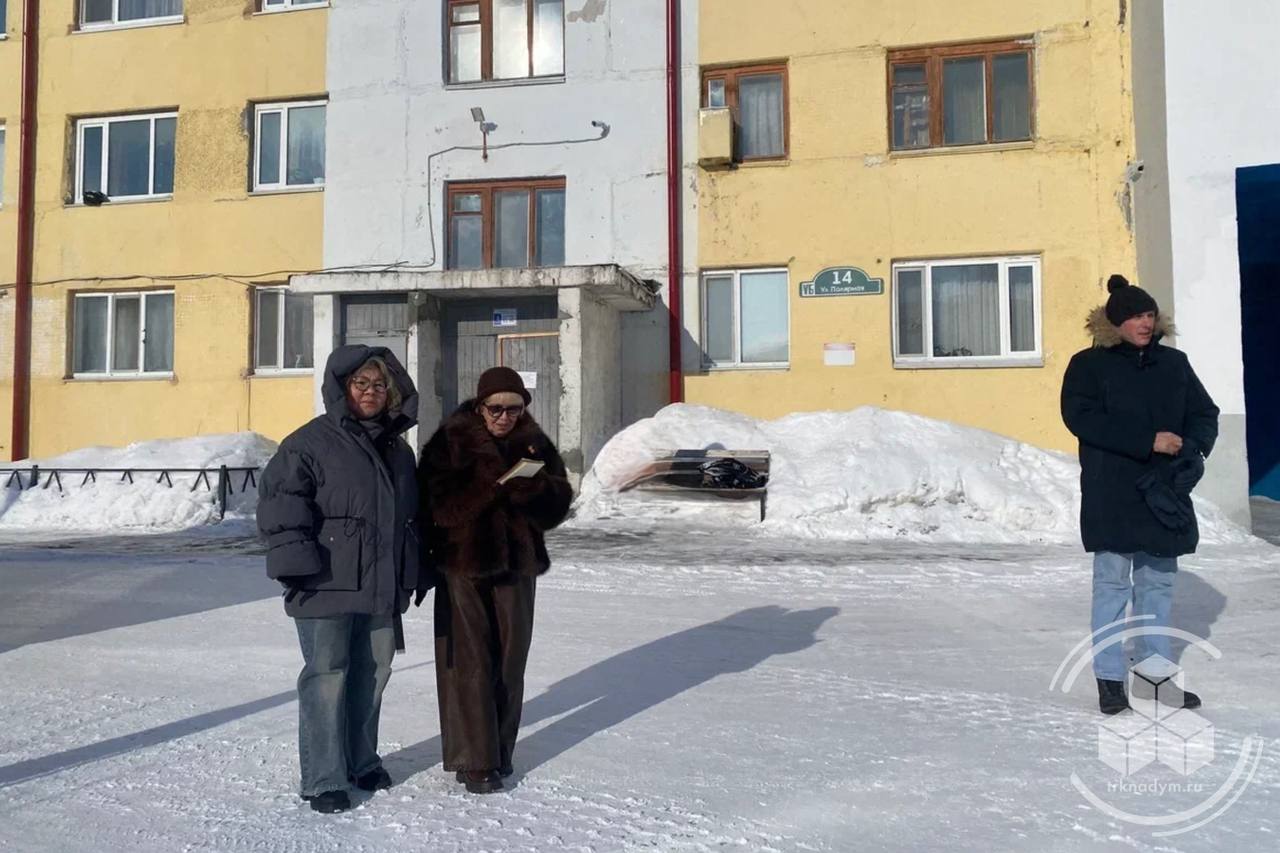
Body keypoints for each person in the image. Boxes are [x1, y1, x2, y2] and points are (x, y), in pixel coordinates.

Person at [258, 345, 430, 813]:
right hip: (325, 582)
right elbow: (280, 506)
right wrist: (298, 569)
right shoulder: (309, 443)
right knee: (327, 678)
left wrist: (414, 568)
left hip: (380, 585)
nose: (371, 392)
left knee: (373, 674)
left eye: (380, 385)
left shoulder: (398, 450)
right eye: (361, 384)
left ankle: (361, 761)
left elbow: (409, 520)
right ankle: (324, 778)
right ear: (341, 388)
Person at [1061, 275, 1219, 716]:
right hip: (1111, 490)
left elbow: (1204, 413)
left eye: (1149, 315)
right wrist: (1147, 440)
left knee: (1157, 586)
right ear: (1116, 322)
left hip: (1163, 492)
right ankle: (1110, 680)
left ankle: (1156, 678)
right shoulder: (1088, 365)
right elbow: (1080, 418)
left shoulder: (1174, 363)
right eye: (1134, 317)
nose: (1145, 323)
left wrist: (1191, 447)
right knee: (1112, 586)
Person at [417, 367, 573, 794]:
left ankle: (499, 752)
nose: (505, 417)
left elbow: (558, 503)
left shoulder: (534, 442)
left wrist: (533, 491)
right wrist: (489, 488)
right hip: (463, 567)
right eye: (496, 408)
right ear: (480, 406)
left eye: (514, 409)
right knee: (469, 662)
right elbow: (435, 508)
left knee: (510, 661)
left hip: (517, 568)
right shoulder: (449, 441)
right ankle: (475, 760)